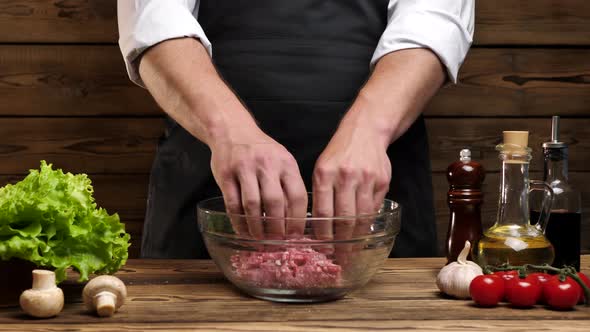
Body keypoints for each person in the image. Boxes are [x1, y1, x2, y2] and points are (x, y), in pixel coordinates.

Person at [117, 0, 475, 259]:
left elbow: (434, 17)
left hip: (376, 196)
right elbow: (154, 16)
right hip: (207, 185)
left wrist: (369, 131)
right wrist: (231, 133)